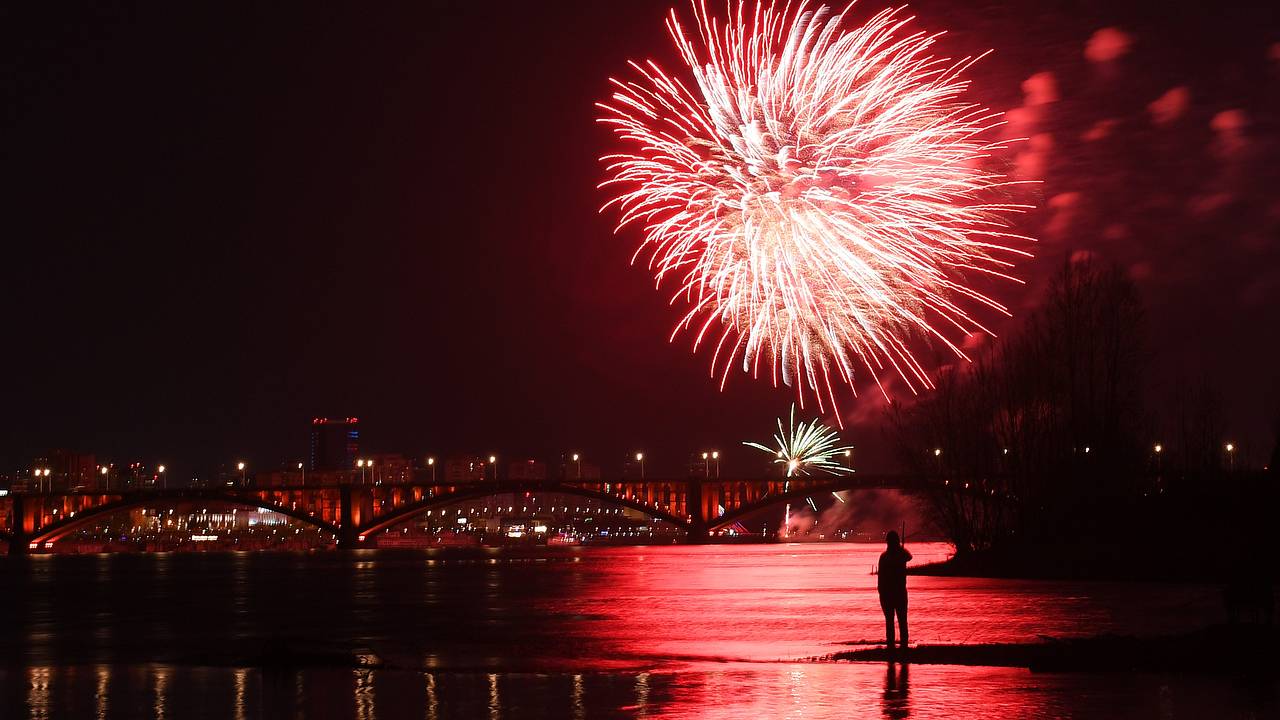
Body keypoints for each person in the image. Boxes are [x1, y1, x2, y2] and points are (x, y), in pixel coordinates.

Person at [878, 530, 912, 652]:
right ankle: (901, 645)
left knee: (895, 621)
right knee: (898, 621)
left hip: (893, 593)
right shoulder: (897, 556)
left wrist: (881, 593)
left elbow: (909, 557)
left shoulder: (887, 556)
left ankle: (893, 646)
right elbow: (881, 577)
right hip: (894, 593)